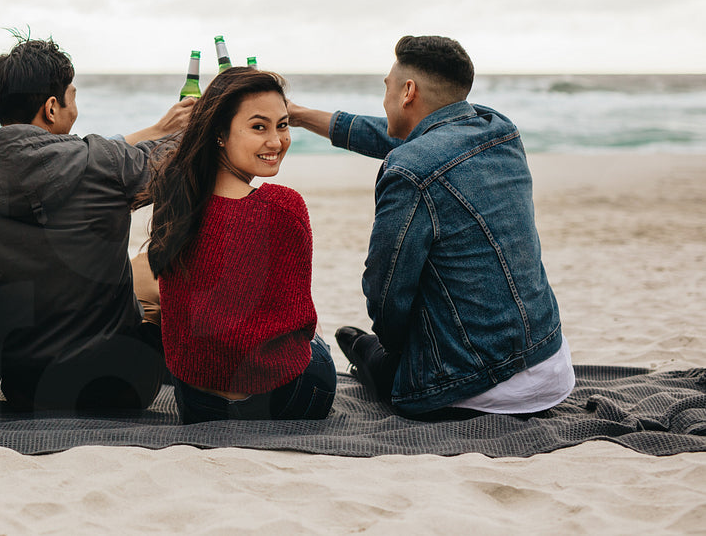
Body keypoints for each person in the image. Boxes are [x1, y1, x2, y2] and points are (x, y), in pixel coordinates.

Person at [0, 37, 194, 438]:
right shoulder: (102, 161)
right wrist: (216, 114)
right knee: (154, 282)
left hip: (28, 390)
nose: (74, 107)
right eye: (72, 97)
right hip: (126, 384)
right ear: (52, 108)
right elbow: (180, 159)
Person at [289, 35, 573, 418]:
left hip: (472, 385)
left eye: (387, 88)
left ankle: (368, 354)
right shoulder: (500, 129)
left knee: (373, 352)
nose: (384, 99)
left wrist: (395, 348)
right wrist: (298, 115)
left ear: (408, 91)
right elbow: (396, 136)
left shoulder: (409, 169)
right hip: (551, 364)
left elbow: (386, 292)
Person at [147, 67, 335, 422]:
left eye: (282, 125)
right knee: (317, 334)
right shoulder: (283, 206)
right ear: (220, 133)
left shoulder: (175, 199)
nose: (277, 141)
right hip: (281, 399)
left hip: (197, 402)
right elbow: (303, 323)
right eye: (259, 127)